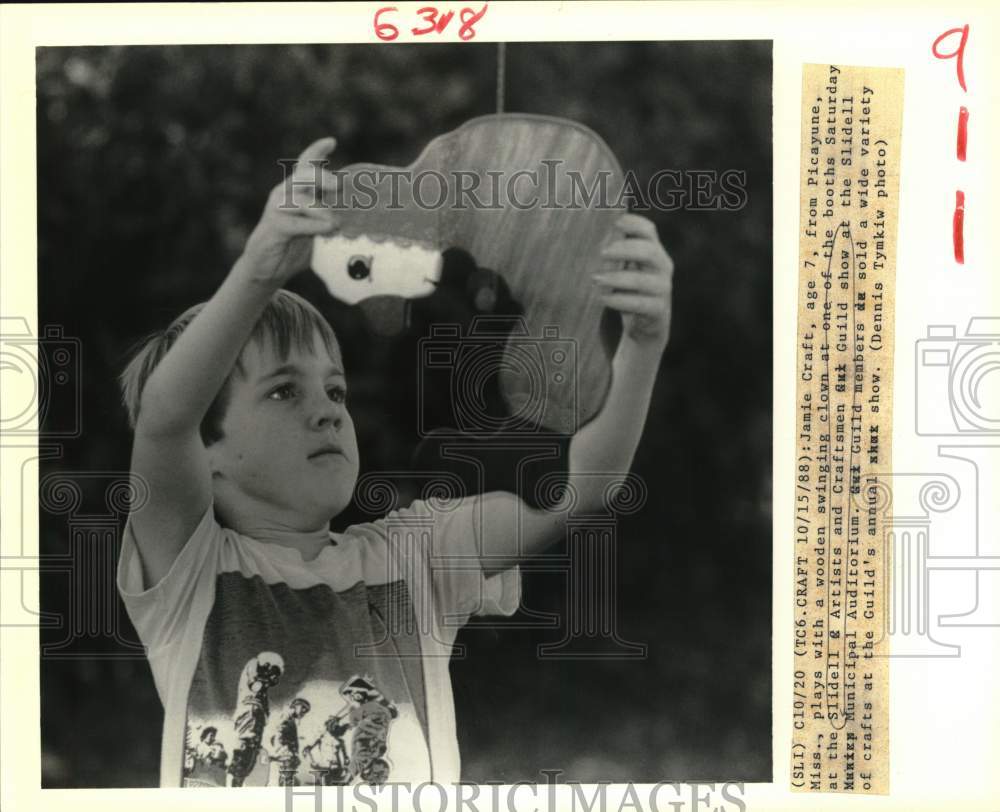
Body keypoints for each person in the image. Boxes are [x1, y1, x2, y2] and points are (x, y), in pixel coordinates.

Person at [115, 137, 674, 787]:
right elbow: (166, 418)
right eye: (283, 390)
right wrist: (259, 272)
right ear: (206, 455)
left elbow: (583, 489)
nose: (326, 411)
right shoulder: (190, 574)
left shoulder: (418, 557)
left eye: (335, 390)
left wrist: (642, 343)